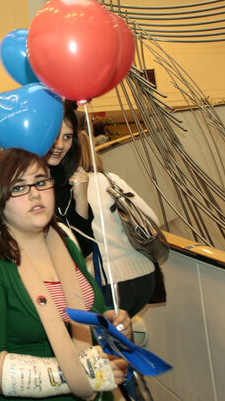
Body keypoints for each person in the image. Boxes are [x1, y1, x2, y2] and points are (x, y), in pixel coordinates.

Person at [0, 148, 130, 400]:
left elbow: (89, 316)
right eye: (18, 187)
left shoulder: (63, 243)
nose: (35, 194)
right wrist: (73, 375)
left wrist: (110, 325)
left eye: (41, 182)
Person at [79, 133, 159, 316]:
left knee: (110, 340)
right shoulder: (111, 179)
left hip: (107, 283)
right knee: (123, 335)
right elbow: (152, 219)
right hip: (143, 275)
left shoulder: (70, 190)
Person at [46, 103, 94, 257]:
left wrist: (81, 199)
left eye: (67, 137)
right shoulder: (15, 180)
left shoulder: (66, 178)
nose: (60, 145)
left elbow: (84, 248)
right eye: (53, 135)